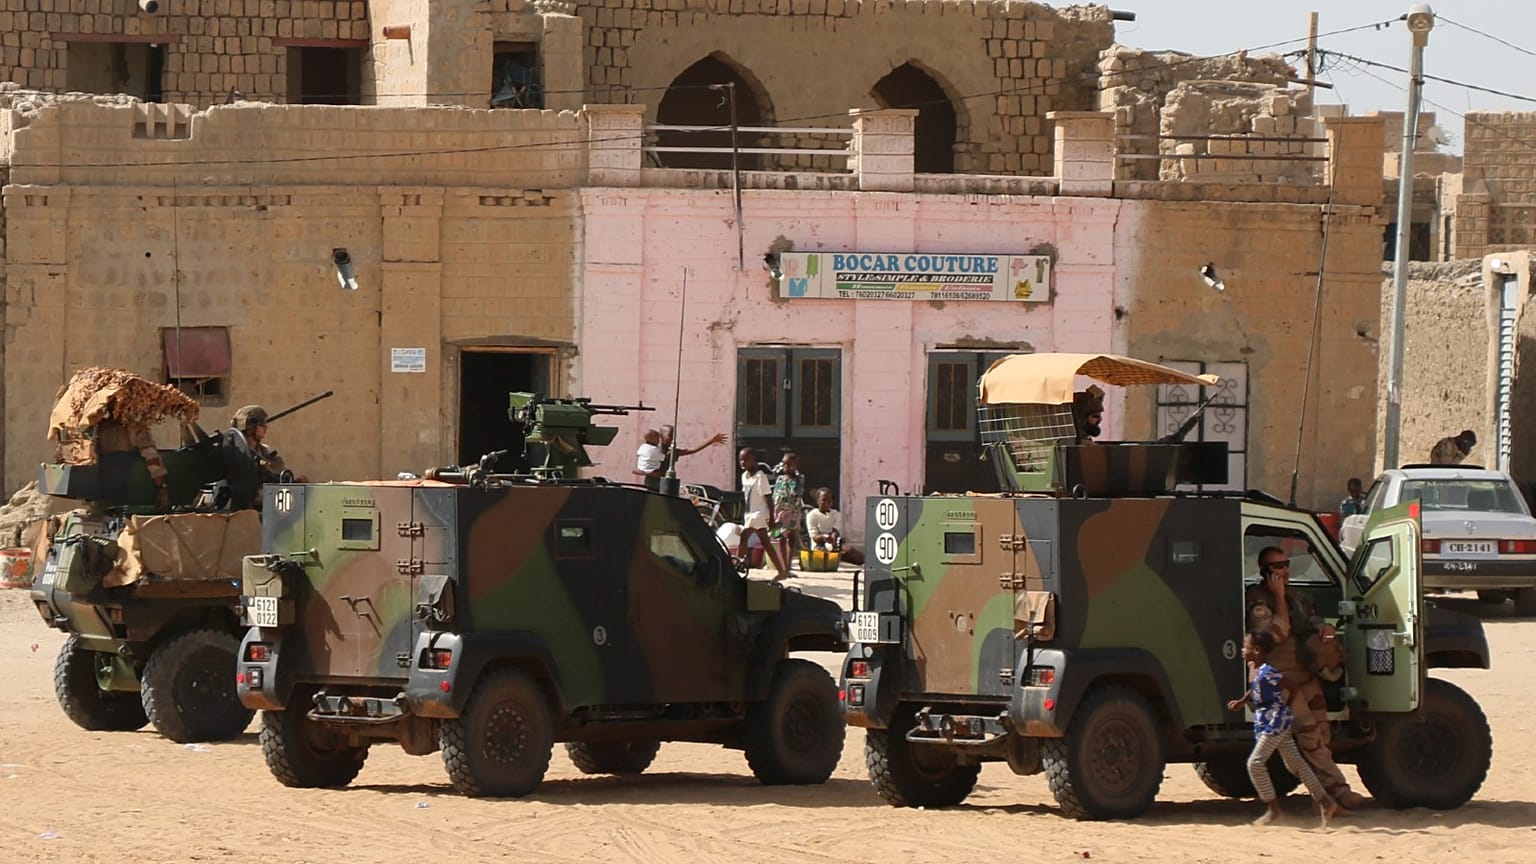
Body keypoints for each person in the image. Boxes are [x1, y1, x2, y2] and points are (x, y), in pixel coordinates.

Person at [1245, 546, 1364, 810]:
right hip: (1281, 681)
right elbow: (1276, 634)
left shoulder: (1296, 598)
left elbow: (1315, 621)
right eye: (1277, 567)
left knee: (1322, 735)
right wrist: (1277, 597)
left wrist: (1325, 629)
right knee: (1309, 737)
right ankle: (1338, 793)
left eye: (1286, 564)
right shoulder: (1258, 600)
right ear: (1265, 572)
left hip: (1306, 676)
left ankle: (1323, 795)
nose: (1284, 570)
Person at [1227, 629, 1339, 828]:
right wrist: (1243, 701)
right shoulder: (1255, 668)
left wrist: (1284, 709)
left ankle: (1274, 810)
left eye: (1247, 647)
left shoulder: (1269, 672)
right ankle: (1326, 801)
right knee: (1295, 763)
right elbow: (1255, 688)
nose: (1243, 650)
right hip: (1267, 720)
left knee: (1255, 763)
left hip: (1274, 722)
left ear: (1258, 650)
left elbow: (1292, 688)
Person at [738, 448, 790, 581]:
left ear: (754, 460)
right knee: (765, 542)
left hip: (759, 514)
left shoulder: (760, 476)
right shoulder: (744, 476)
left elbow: (768, 498)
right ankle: (781, 570)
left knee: (744, 538)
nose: (743, 462)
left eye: (746, 459)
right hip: (750, 514)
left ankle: (737, 565)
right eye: (741, 460)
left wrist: (771, 517)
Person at [232, 405, 307, 485]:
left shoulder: (266, 452)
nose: (265, 428)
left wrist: (295, 483)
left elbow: (279, 477)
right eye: (261, 424)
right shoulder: (234, 453)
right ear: (250, 427)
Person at [647, 424, 727, 491]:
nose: (672, 439)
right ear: (661, 436)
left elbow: (693, 450)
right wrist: (651, 473)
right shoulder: (652, 450)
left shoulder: (673, 452)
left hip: (666, 485)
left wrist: (711, 441)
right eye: (670, 436)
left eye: (674, 437)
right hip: (652, 484)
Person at [772, 451, 807, 568]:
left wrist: (795, 479)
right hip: (779, 514)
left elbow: (797, 493)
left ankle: (788, 565)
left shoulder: (799, 479)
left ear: (795, 466)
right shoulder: (780, 479)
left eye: (789, 464)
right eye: (784, 464)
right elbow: (775, 495)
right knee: (779, 536)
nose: (786, 467)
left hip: (793, 514)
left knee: (791, 538)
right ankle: (782, 564)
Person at [806, 487, 843, 552]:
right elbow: (814, 537)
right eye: (824, 500)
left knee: (850, 551)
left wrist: (832, 540)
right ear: (817, 501)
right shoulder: (811, 515)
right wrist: (824, 537)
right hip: (818, 546)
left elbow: (835, 531)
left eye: (829, 500)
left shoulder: (836, 514)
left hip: (834, 544)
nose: (827, 502)